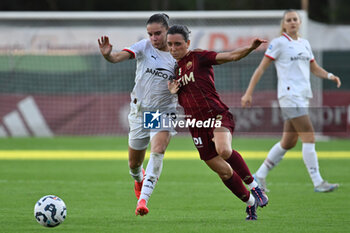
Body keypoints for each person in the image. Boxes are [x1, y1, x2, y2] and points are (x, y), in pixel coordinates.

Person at [167, 25, 268, 221]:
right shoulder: (174, 70)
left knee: (223, 149)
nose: (173, 48)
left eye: (178, 44)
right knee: (223, 172)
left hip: (217, 115)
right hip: (196, 126)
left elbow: (230, 56)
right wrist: (172, 92)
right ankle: (250, 203)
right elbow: (177, 97)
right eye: (170, 44)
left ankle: (255, 187)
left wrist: (250, 47)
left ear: (187, 43)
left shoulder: (199, 57)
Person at [241, 10, 341, 193]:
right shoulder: (279, 43)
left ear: (300, 22)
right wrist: (248, 93)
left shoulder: (304, 44)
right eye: (289, 20)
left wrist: (330, 75)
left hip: (303, 96)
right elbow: (261, 69)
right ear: (284, 24)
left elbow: (314, 68)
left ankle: (259, 175)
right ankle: (318, 182)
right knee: (309, 136)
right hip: (289, 96)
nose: (293, 22)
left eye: (295, 19)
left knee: (288, 142)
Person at [98, 13, 177, 216]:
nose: (154, 38)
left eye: (158, 33)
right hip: (140, 111)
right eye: (150, 34)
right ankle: (138, 179)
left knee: (158, 149)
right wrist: (108, 55)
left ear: (168, 30)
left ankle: (143, 200)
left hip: (162, 111)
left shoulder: (179, 55)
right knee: (134, 164)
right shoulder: (144, 46)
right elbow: (116, 57)